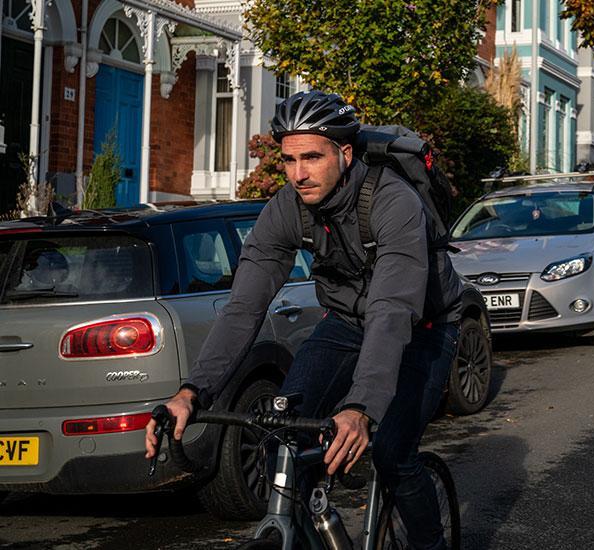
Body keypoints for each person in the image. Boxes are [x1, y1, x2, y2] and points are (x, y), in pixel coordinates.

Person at [145, 90, 464, 549]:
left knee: (393, 455)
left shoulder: (393, 202)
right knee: (282, 442)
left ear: (345, 153)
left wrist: (360, 409)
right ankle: (317, 517)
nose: (298, 174)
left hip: (423, 329)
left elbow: (392, 310)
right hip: (346, 324)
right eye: (290, 160)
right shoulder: (288, 208)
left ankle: (430, 545)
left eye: (312, 157)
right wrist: (193, 391)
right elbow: (244, 306)